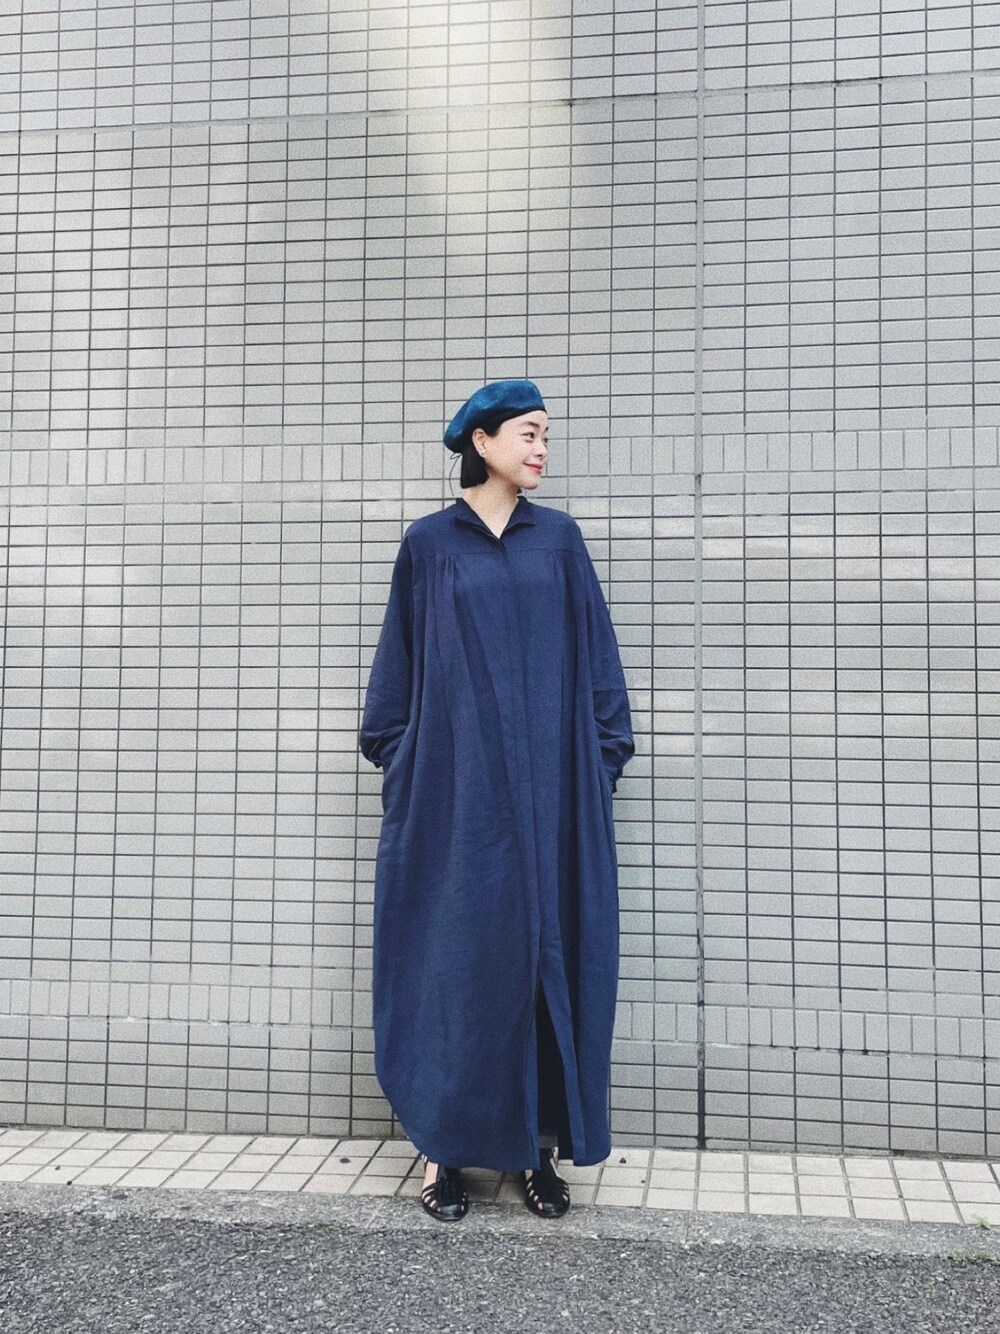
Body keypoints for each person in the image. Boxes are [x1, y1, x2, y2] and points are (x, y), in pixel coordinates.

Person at [358, 379, 634, 1221]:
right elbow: (398, 674)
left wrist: (598, 760)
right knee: (458, 965)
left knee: (549, 960)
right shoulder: (430, 545)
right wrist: (409, 765)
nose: (542, 449)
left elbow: (598, 661)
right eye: (528, 433)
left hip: (553, 801)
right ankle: (442, 1153)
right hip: (457, 802)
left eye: (546, 435)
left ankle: (535, 1152)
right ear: (482, 442)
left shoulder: (560, 540)